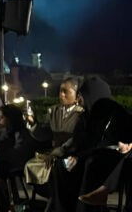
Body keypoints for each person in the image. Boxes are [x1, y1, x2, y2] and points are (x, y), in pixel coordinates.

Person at [50, 76, 132, 212]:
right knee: (61, 165)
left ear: (90, 96)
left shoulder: (114, 115)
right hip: (82, 157)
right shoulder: (85, 117)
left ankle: (84, 208)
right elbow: (78, 142)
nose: (78, 101)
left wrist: (78, 158)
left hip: (105, 159)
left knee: (91, 163)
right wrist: (71, 155)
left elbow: (104, 145)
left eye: (81, 97)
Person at [24, 79, 83, 186]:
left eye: (66, 91)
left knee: (61, 167)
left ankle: (57, 198)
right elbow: (45, 134)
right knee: (30, 165)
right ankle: (50, 195)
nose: (61, 94)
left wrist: (58, 152)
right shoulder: (53, 111)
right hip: (53, 153)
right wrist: (33, 123)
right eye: (60, 91)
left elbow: (76, 139)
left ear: (77, 96)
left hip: (71, 155)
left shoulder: (81, 114)